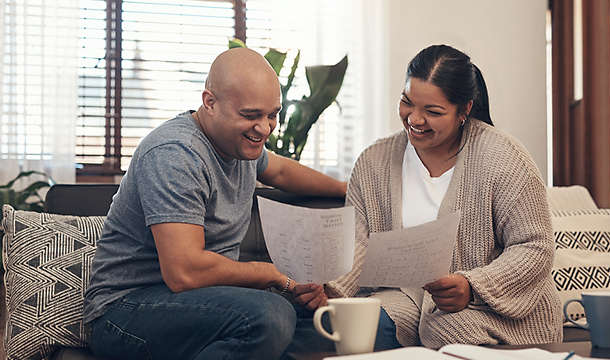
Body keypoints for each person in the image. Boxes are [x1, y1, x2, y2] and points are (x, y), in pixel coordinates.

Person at [83, 48, 346, 360]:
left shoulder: (241, 143)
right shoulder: (175, 154)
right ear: (210, 103)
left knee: (328, 323)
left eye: (272, 114)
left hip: (202, 302)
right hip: (125, 311)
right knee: (268, 316)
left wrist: (349, 189)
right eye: (250, 115)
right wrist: (276, 275)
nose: (264, 128)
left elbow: (281, 170)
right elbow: (184, 272)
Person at [311, 44, 562, 349]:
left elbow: (535, 246)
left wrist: (473, 286)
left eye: (433, 112)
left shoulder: (504, 158)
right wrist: (331, 289)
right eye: (407, 102)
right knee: (341, 328)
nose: (414, 119)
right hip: (403, 299)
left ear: (464, 110)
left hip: (493, 310)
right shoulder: (373, 162)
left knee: (447, 329)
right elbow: (360, 242)